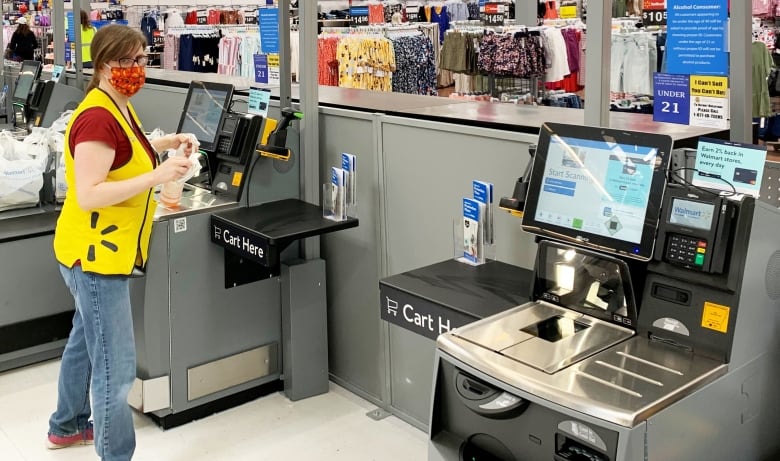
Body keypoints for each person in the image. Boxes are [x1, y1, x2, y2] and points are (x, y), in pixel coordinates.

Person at [47, 24, 194, 460]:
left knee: (84, 339)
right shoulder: (96, 116)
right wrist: (159, 175)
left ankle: (66, 426)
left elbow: (123, 153)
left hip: (96, 250)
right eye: (127, 61)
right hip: (95, 258)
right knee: (116, 368)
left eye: (141, 59)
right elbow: (89, 193)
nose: (136, 68)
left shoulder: (117, 106)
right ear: (105, 64)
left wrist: (164, 144)